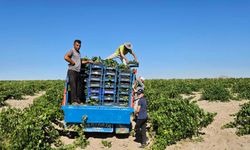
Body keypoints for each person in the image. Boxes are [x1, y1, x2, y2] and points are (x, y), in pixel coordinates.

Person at [64, 39, 92, 105]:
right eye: (77, 45)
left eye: (79, 45)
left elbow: (80, 62)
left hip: (77, 71)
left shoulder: (79, 53)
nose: (78, 47)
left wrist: (88, 61)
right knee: (73, 87)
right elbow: (65, 57)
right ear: (74, 45)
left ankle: (78, 101)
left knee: (79, 87)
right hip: (72, 71)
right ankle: (74, 101)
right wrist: (72, 62)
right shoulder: (72, 50)